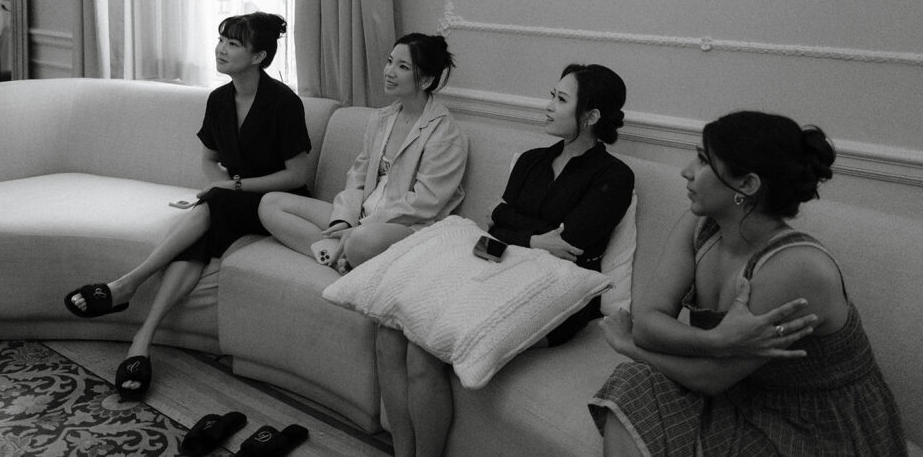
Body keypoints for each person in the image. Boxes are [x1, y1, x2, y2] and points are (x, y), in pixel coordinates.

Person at [590, 111, 907, 456]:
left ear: (747, 185)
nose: (686, 171)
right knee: (632, 383)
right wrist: (716, 340)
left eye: (703, 160)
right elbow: (648, 323)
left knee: (634, 371)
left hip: (814, 424)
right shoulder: (699, 225)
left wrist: (630, 347)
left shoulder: (794, 268)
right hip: (745, 391)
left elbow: (711, 379)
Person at [376, 63, 635, 457]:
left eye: (561, 99)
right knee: (390, 328)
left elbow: (573, 242)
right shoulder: (532, 159)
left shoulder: (614, 175)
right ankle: (402, 450)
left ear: (591, 116)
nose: (548, 105)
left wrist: (518, 227)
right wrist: (534, 236)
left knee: (424, 345)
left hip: (560, 296)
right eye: (552, 95)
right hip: (498, 269)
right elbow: (498, 222)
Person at [63, 12, 312, 401]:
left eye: (233, 44)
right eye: (221, 40)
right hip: (229, 199)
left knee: (213, 206)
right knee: (201, 235)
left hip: (274, 205)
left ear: (259, 56)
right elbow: (209, 159)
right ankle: (142, 341)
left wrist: (234, 186)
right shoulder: (218, 100)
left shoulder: (283, 102)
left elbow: (297, 175)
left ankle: (127, 284)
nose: (221, 49)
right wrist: (221, 187)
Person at [258, 33, 467, 272]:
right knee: (270, 203)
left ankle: (343, 250)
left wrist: (363, 226)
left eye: (402, 67)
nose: (389, 72)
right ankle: (338, 254)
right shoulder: (381, 118)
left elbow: (425, 203)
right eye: (390, 62)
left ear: (425, 80)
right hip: (362, 216)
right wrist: (343, 219)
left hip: (408, 226)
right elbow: (358, 174)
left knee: (362, 240)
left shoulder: (446, 134)